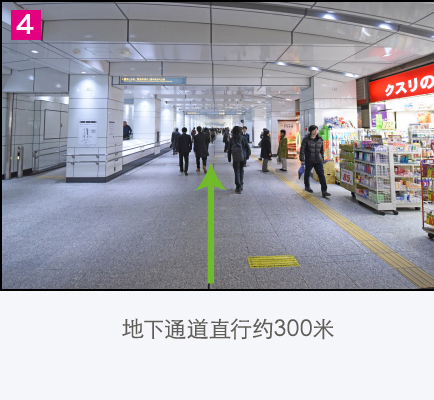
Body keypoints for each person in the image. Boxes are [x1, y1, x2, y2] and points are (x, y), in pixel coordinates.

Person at [300, 125, 331, 197]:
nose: (316, 131)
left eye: (316, 130)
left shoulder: (320, 139)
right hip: (309, 159)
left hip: (318, 160)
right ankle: (307, 186)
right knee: (307, 174)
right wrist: (302, 159)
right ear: (311, 131)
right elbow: (302, 150)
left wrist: (322, 159)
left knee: (321, 175)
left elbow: (321, 150)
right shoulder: (306, 139)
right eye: (314, 130)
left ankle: (324, 191)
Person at [228, 126, 250, 194]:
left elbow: (229, 150)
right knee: (241, 170)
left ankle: (238, 186)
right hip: (242, 157)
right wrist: (247, 156)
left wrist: (229, 158)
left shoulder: (232, 139)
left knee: (236, 171)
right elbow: (248, 148)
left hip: (235, 158)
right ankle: (241, 184)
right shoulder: (243, 138)